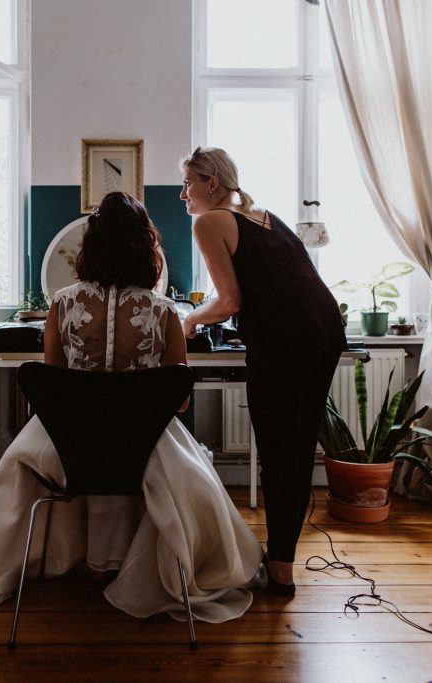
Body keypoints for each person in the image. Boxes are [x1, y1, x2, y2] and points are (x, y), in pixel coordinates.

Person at [0, 192, 262, 623]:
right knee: (189, 469)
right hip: (140, 443)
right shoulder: (164, 311)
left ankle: (63, 558)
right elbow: (177, 397)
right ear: (146, 248)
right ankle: (138, 562)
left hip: (68, 445)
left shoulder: (62, 304)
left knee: (18, 466)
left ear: (92, 245)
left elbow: (54, 386)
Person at [180, 146, 347, 597]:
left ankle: (281, 572)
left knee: (277, 453)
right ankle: (282, 564)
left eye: (188, 184)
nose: (183, 195)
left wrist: (190, 320)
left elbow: (229, 301)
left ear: (211, 183)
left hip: (287, 341)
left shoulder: (209, 222)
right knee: (295, 449)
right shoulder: (264, 215)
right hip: (325, 331)